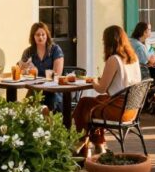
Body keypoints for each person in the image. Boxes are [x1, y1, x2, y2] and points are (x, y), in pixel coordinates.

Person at [71, 25, 142, 156]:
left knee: (85, 103)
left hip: (119, 110)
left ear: (109, 42)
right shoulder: (133, 58)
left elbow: (101, 88)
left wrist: (93, 82)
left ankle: (80, 142)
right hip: (132, 109)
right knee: (97, 101)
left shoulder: (114, 59)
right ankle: (99, 144)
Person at [19, 22, 65, 110]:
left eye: (43, 34)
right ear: (33, 36)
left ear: (47, 35)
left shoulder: (55, 49)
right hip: (35, 89)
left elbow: (57, 74)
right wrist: (24, 68)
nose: (40, 37)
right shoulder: (28, 52)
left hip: (52, 90)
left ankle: (50, 121)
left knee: (49, 104)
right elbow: (21, 70)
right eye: (37, 35)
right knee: (26, 109)